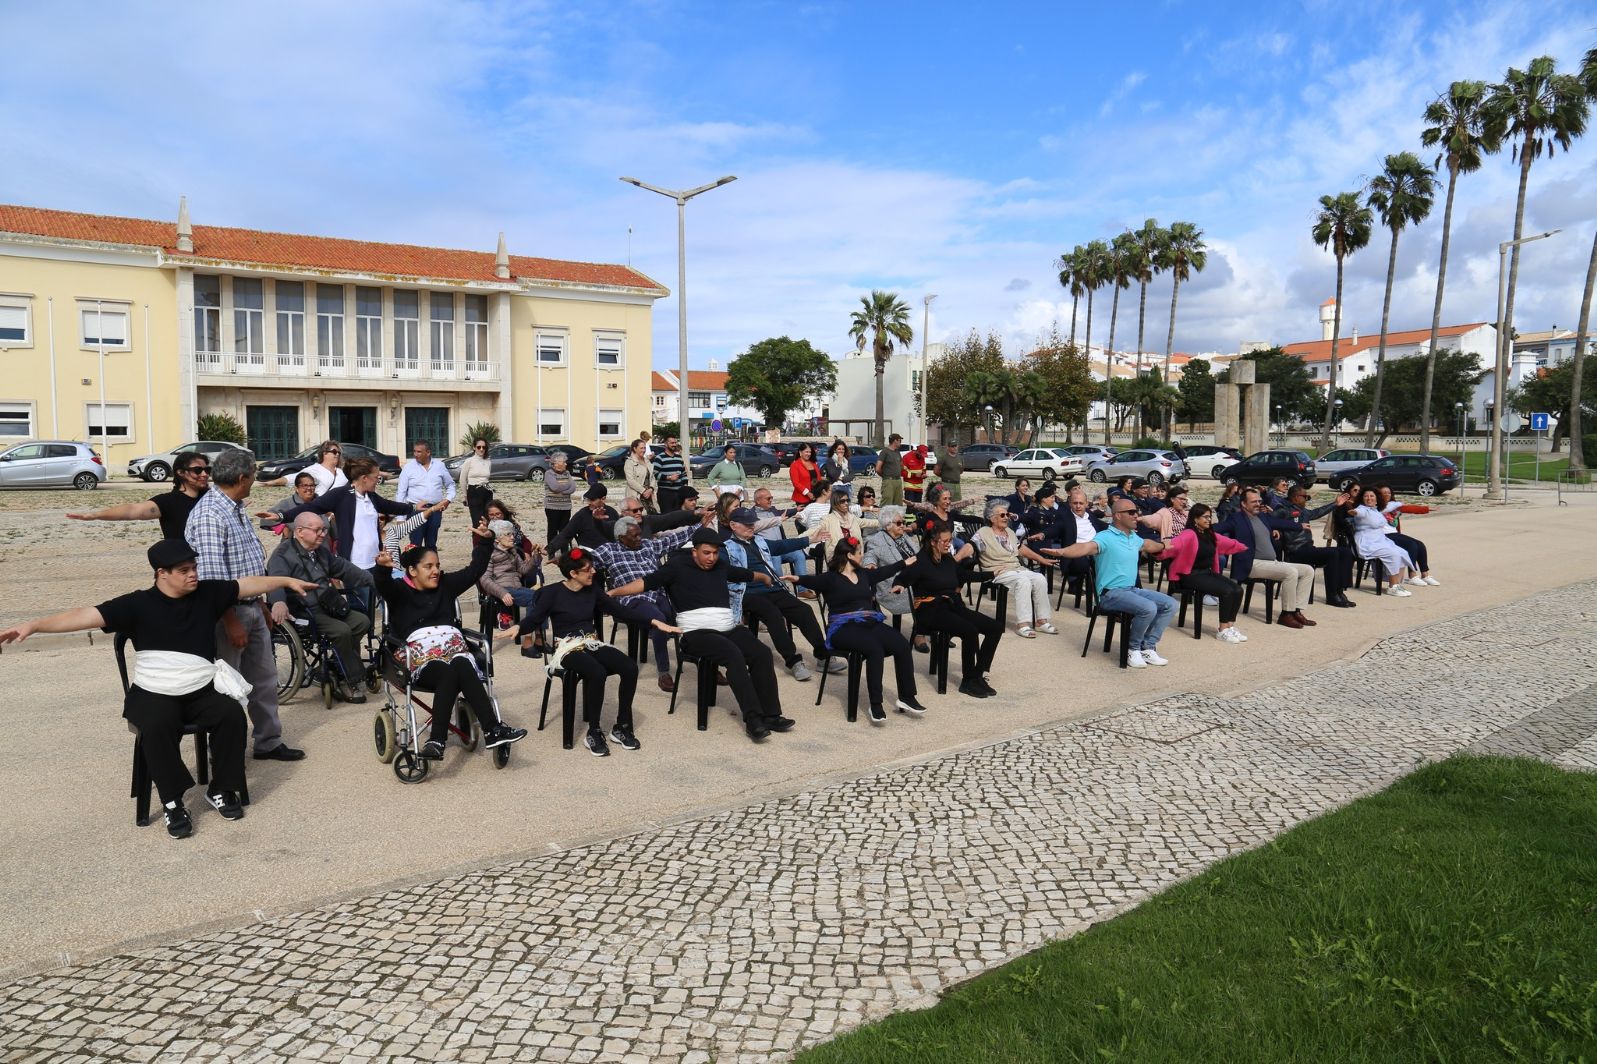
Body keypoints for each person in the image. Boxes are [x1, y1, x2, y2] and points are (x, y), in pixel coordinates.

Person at [0, 539, 319, 839]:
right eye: (184, 571)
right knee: (155, 724)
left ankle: (219, 789)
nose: (193, 574)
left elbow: (247, 584)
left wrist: (285, 581)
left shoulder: (207, 594)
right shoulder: (137, 604)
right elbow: (84, 615)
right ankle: (172, 802)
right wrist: (34, 625)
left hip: (199, 688)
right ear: (161, 574)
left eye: (194, 567)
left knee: (231, 715)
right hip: (153, 691)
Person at [610, 528, 796, 743]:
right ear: (694, 552)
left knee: (761, 653)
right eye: (707, 553)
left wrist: (762, 576)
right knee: (732, 654)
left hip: (726, 628)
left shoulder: (719, 566)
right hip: (695, 634)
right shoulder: (676, 567)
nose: (711, 558)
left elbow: (739, 573)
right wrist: (614, 592)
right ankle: (753, 719)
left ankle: (771, 714)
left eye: (715, 553)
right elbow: (645, 583)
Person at [184, 447, 305, 761]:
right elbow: (212, 579)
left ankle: (268, 741)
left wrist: (262, 605)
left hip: (251, 607)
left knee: (264, 679)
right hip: (230, 613)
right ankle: (225, 752)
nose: (255, 480)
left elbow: (248, 563)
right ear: (241, 478)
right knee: (229, 687)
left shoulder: (234, 506)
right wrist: (230, 620)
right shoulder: (210, 513)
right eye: (253, 475)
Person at [374, 526, 528, 760]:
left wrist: (485, 543)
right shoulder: (400, 591)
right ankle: (454, 736)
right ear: (412, 571)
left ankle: (488, 732)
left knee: (462, 664)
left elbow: (475, 570)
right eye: (429, 566)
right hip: (420, 658)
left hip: (455, 649)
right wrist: (382, 570)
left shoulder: (446, 584)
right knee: (449, 672)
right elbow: (382, 586)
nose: (436, 571)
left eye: (437, 565)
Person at [522, 547, 679, 756]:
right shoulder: (552, 593)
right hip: (567, 647)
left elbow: (621, 611)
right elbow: (534, 619)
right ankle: (594, 731)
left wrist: (656, 622)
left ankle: (622, 727)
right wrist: (518, 628)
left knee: (630, 667)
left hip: (591, 642)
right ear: (573, 574)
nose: (594, 572)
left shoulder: (593, 590)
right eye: (588, 569)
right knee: (597, 672)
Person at [789, 538, 927, 723]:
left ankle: (907, 697)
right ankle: (875, 705)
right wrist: (796, 578)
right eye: (859, 552)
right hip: (842, 629)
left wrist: (904, 563)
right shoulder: (831, 578)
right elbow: (811, 580)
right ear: (849, 555)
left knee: (901, 644)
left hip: (868, 622)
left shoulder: (864, 574)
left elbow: (882, 572)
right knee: (874, 648)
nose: (862, 556)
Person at [1053, 497, 1177, 668]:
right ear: (1118, 516)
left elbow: (1148, 545)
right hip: (1110, 594)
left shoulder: (1133, 537)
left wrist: (1163, 545)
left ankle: (1147, 647)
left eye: (1137, 512)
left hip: (1132, 590)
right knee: (1148, 608)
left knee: (1170, 603)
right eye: (1132, 512)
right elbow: (1085, 547)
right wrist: (1061, 552)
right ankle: (1132, 649)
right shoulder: (1105, 537)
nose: (1136, 516)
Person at [266, 512, 375, 702]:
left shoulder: (320, 552)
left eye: (324, 529)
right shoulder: (282, 555)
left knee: (362, 621)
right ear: (299, 531)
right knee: (341, 632)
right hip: (303, 611)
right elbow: (275, 580)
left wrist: (377, 582)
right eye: (317, 530)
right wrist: (278, 601)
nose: (323, 534)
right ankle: (348, 680)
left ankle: (335, 664)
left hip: (329, 604)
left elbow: (344, 568)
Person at [723, 506, 841, 680]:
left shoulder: (759, 541)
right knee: (774, 615)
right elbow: (726, 573)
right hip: (747, 593)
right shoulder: (725, 548)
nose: (751, 527)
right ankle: (793, 661)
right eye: (746, 524)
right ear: (733, 525)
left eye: (752, 524)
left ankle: (823, 656)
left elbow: (781, 545)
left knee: (804, 611)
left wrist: (809, 539)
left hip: (773, 589)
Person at [588, 515, 700, 691]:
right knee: (659, 620)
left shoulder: (647, 545)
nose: (639, 538)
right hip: (632, 599)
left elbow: (674, 540)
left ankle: (701, 659)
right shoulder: (609, 550)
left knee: (685, 614)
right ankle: (664, 672)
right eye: (634, 536)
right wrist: (564, 559)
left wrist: (701, 524)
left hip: (658, 594)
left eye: (640, 534)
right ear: (621, 538)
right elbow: (584, 561)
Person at [897, 519, 1001, 696]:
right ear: (933, 542)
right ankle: (967, 681)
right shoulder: (921, 561)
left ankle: (977, 674)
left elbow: (964, 574)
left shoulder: (947, 559)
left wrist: (990, 574)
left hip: (952, 606)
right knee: (969, 630)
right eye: (944, 541)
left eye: (950, 540)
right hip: (930, 611)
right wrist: (898, 584)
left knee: (995, 627)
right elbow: (903, 577)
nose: (948, 544)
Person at [273, 458, 432, 569]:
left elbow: (390, 506)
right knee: (361, 609)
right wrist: (282, 516)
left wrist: (413, 507)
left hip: (376, 562)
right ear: (364, 478)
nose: (378, 480)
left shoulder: (371, 496)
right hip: (354, 565)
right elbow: (312, 507)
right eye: (376, 477)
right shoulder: (340, 495)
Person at [1216, 488, 1319, 630]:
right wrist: (1197, 528)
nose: (1258, 503)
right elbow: (1219, 527)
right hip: (1252, 564)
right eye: (1254, 501)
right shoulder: (1236, 519)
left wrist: (1298, 526)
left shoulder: (1262, 517)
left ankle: (1296, 610)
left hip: (1271, 563)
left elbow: (1278, 522)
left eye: (1259, 500)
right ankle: (1286, 614)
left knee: (1307, 570)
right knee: (1290, 572)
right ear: (1244, 504)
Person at [68, 449, 211, 539]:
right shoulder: (168, 502)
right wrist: (96, 515)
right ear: (180, 473)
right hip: (184, 569)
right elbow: (132, 510)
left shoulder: (213, 499)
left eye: (207, 470)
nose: (204, 474)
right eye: (197, 470)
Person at [973, 499, 1061, 638]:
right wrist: (954, 561)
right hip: (997, 570)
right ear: (992, 518)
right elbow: (970, 547)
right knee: (1023, 582)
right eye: (1002, 515)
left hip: (1016, 568)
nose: (1006, 518)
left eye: (1007, 514)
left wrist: (1041, 559)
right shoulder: (983, 533)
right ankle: (1023, 624)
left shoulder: (1009, 532)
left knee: (1039, 578)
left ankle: (1041, 621)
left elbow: (1021, 549)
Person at [1163, 503, 1249, 643]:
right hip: (1190, 575)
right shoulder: (1189, 534)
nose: (1209, 520)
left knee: (1238, 590)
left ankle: (1229, 626)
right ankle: (1222, 631)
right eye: (1206, 517)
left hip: (1206, 573)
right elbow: (1174, 545)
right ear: (1195, 519)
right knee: (1227, 591)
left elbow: (1226, 542)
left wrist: (1243, 547)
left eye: (1210, 517)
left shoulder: (1209, 534)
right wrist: (1160, 550)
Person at [1273, 486, 1358, 608]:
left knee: (1345, 552)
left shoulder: (1303, 510)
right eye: (1305, 497)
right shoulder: (1283, 509)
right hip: (1295, 551)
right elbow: (1269, 520)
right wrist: (1275, 529)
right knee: (1332, 554)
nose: (1307, 499)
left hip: (1308, 549)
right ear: (1296, 497)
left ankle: (1340, 591)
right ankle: (1332, 596)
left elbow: (1317, 512)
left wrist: (1335, 504)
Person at [864, 504, 928, 651]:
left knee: (941, 589)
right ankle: (921, 634)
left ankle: (937, 630)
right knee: (928, 595)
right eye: (899, 523)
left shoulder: (903, 536)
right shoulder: (877, 540)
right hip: (894, 584)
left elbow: (918, 554)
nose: (903, 526)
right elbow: (870, 556)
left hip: (915, 578)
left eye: (904, 522)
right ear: (888, 525)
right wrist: (870, 565)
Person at [1349, 488, 1418, 595]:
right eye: (1366, 496)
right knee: (1393, 554)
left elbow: (1391, 505)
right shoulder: (1362, 509)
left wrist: (1401, 503)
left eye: (1372, 496)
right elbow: (1359, 512)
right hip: (1367, 543)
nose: (1369, 498)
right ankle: (1392, 587)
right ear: (1362, 499)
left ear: (1376, 499)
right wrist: (1354, 512)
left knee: (1402, 552)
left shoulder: (1376, 510)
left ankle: (1397, 584)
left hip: (1380, 541)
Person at [478, 519, 543, 621]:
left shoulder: (513, 551)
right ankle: (529, 629)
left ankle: (537, 632)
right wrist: (502, 592)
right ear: (497, 538)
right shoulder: (490, 554)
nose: (512, 537)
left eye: (512, 534)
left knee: (544, 595)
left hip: (516, 587)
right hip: (502, 588)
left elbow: (523, 569)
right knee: (537, 597)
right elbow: (485, 579)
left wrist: (536, 555)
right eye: (508, 534)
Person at [394, 440, 455, 549]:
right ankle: (414, 565)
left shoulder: (440, 466)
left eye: (419, 452)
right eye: (414, 451)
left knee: (431, 543)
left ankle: (431, 565)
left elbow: (450, 485)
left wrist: (447, 500)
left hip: (435, 510)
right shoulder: (408, 468)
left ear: (428, 452)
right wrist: (400, 518)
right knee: (415, 544)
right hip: (415, 510)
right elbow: (401, 493)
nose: (415, 454)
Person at [1375, 484, 1437, 585]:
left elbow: (1409, 508)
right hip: (1384, 536)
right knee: (1410, 545)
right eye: (1384, 493)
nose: (1387, 494)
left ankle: (1425, 575)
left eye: (1389, 493)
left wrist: (1427, 509)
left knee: (1420, 545)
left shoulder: (1393, 506)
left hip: (1394, 534)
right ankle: (1412, 575)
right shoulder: (1376, 507)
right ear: (1378, 495)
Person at [549, 484, 621, 553]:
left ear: (603, 498)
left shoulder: (612, 513)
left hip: (609, 552)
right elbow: (566, 534)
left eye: (592, 500)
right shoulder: (582, 514)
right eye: (588, 499)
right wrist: (549, 549)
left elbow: (619, 536)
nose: (589, 502)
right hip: (587, 552)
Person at [261, 440, 347, 496]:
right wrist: (272, 482)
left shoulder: (341, 472)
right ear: (324, 453)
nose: (337, 454)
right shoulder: (314, 469)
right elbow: (292, 478)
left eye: (339, 452)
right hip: (324, 510)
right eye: (334, 452)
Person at [260, 472, 319, 537]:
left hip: (323, 545)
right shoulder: (288, 503)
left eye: (312, 485)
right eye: (305, 486)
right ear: (296, 488)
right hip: (295, 545)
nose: (309, 488)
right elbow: (265, 519)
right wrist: (282, 526)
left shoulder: (321, 503)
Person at [455, 437, 494, 527]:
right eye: (479, 447)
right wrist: (465, 495)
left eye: (483, 447)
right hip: (474, 491)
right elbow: (462, 479)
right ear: (474, 448)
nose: (481, 449)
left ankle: (487, 540)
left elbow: (487, 477)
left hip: (487, 491)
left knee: (487, 520)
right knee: (477, 522)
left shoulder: (488, 461)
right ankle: (477, 539)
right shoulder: (469, 461)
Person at [542, 451, 577, 550]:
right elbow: (555, 487)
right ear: (556, 463)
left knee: (564, 530)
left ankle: (564, 551)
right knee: (552, 530)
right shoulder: (549, 473)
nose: (566, 464)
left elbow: (573, 487)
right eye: (564, 462)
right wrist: (566, 486)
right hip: (552, 506)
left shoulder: (567, 473)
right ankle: (551, 551)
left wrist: (564, 492)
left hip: (566, 506)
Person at [652, 436, 687, 512]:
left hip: (679, 493)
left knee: (678, 517)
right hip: (665, 493)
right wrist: (668, 478)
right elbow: (654, 474)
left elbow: (684, 474)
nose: (674, 445)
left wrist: (685, 487)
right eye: (672, 443)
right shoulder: (659, 458)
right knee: (667, 518)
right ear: (665, 444)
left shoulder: (679, 458)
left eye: (675, 443)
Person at [624, 438, 657, 513]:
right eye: (641, 448)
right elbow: (630, 480)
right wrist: (644, 491)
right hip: (636, 495)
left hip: (649, 496)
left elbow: (652, 477)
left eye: (645, 448)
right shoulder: (629, 462)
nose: (644, 450)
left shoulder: (647, 460)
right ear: (635, 449)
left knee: (653, 515)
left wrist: (651, 489)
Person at [790, 441, 822, 507]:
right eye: (806, 452)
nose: (809, 454)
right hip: (802, 498)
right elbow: (796, 483)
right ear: (800, 452)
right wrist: (808, 493)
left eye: (810, 452)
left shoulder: (814, 464)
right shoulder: (795, 465)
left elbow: (819, 478)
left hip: (816, 497)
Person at [877, 434, 904, 507]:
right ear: (895, 441)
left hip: (898, 480)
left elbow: (901, 465)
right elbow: (878, 468)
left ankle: (897, 518)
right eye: (899, 440)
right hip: (888, 481)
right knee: (887, 502)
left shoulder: (897, 452)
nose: (900, 442)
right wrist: (885, 476)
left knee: (898, 503)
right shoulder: (885, 452)